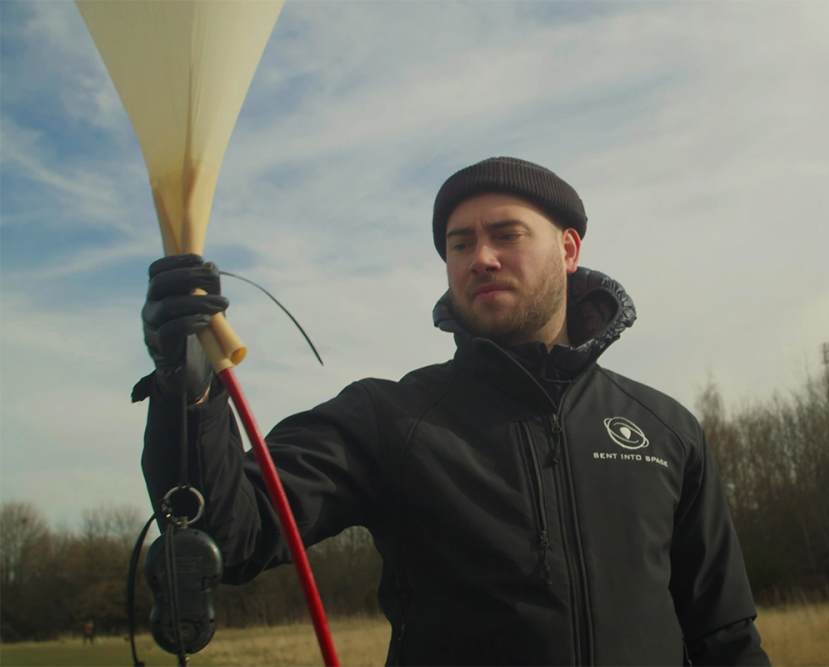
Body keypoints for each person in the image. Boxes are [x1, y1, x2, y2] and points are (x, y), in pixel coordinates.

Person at [136, 156, 770, 666]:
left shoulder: (665, 429)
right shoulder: (389, 418)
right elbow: (231, 532)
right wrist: (186, 391)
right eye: (459, 243)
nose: (480, 258)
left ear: (570, 249)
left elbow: (723, 634)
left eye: (505, 234)